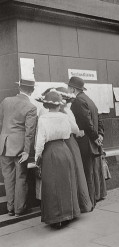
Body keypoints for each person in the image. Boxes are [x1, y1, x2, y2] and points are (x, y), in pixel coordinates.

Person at [35, 91, 80, 228]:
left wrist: (38, 157)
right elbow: (70, 132)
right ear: (59, 105)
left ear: (47, 104)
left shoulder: (43, 119)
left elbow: (40, 140)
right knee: (66, 182)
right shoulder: (64, 117)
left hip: (50, 152)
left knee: (52, 185)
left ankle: (56, 217)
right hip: (64, 149)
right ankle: (68, 214)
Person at [0, 79, 37, 217]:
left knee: (8, 178)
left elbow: (0, 121)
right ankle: (19, 209)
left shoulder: (5, 101)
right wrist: (27, 151)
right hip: (20, 148)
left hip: (4, 145)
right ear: (31, 91)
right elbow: (30, 131)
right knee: (20, 177)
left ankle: (10, 208)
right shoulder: (31, 107)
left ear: (19, 88)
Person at [68, 76, 106, 207]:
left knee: (86, 172)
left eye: (69, 87)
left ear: (73, 88)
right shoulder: (89, 100)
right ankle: (94, 198)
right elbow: (98, 118)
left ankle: (90, 202)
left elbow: (86, 122)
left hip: (85, 142)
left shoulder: (78, 101)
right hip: (93, 141)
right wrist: (100, 134)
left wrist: (95, 136)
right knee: (91, 171)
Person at [55, 87, 93, 212]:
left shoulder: (49, 112)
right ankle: (82, 204)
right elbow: (75, 128)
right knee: (77, 170)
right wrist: (79, 132)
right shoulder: (67, 111)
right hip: (70, 142)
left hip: (57, 145)